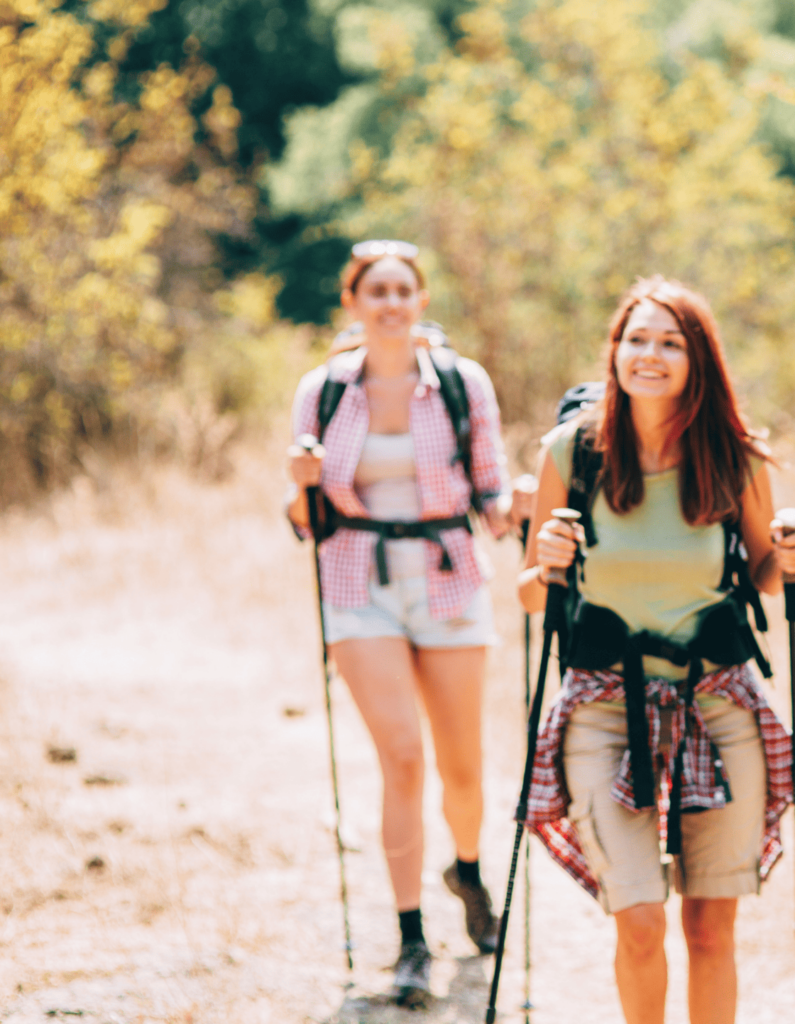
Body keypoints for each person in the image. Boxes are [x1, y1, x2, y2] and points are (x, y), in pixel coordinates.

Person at [518, 276, 795, 1024]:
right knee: (638, 921)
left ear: (697, 359)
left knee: (710, 927)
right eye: (635, 339)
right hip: (605, 706)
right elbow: (532, 597)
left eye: (670, 342)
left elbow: (766, 577)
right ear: (613, 353)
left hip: (718, 702)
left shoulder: (735, 455)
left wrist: (788, 556)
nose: (650, 355)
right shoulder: (571, 453)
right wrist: (543, 560)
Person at [287, 240, 532, 1007]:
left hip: (448, 580)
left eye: (403, 290)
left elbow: (488, 496)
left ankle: (466, 866)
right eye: (375, 291)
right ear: (352, 304)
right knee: (401, 758)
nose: (390, 302)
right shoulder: (322, 391)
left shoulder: (461, 386)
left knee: (462, 768)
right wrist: (298, 486)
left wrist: (521, 505)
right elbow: (306, 519)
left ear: (420, 301)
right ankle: (410, 936)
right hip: (357, 582)